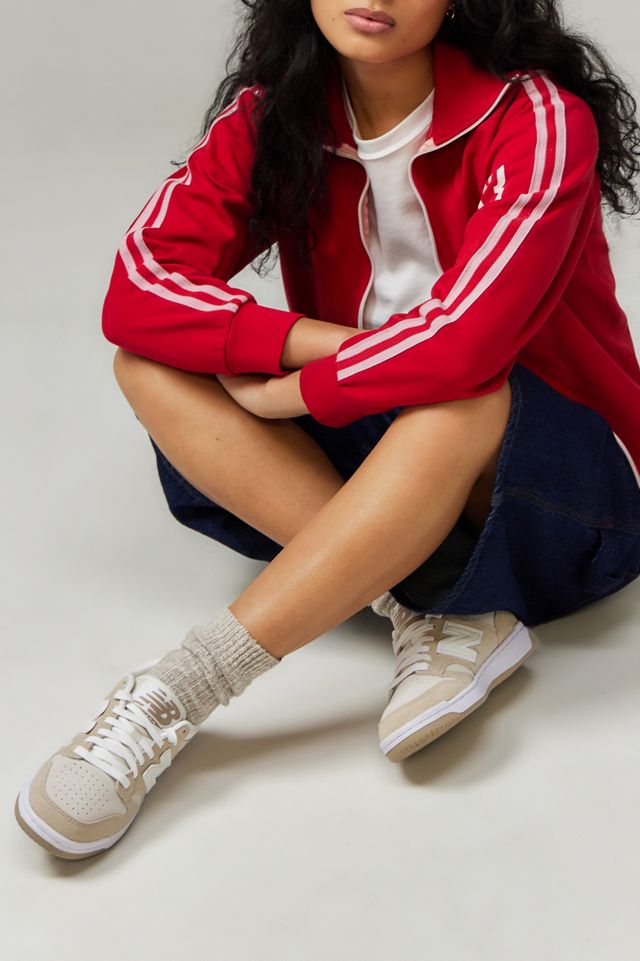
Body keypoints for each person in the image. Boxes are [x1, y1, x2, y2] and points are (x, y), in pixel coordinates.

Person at [15, 0, 640, 860]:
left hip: (559, 493)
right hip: (386, 451)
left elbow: (466, 347)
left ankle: (178, 691)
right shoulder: (277, 115)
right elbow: (140, 288)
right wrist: (307, 348)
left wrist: (300, 394)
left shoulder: (539, 119)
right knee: (147, 366)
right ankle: (425, 608)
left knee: (463, 394)